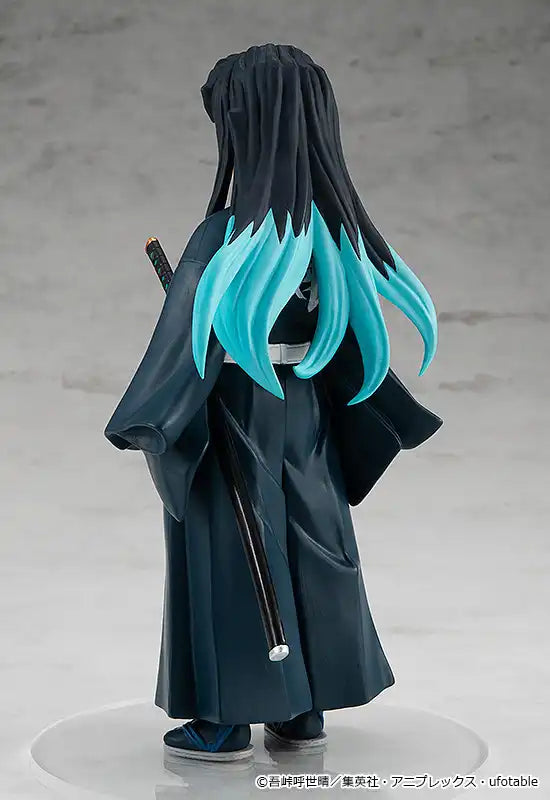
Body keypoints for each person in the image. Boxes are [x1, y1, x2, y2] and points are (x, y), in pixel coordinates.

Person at [105, 43, 442, 762]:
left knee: (229, 548)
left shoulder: (226, 237)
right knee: (310, 539)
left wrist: (152, 416)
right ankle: (302, 711)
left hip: (231, 409)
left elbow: (182, 341)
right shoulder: (332, 235)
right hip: (306, 412)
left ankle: (224, 718)